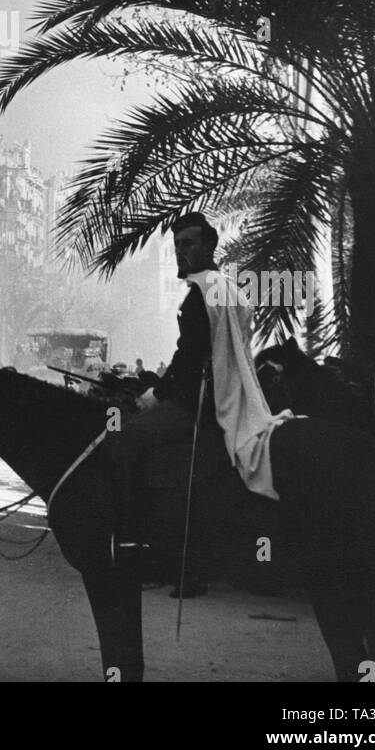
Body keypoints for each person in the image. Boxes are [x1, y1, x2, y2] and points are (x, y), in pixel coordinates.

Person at [110, 211, 289, 552]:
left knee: (126, 438)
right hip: (230, 393)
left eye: (189, 243)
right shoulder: (226, 287)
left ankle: (132, 535)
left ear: (210, 246)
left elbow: (190, 356)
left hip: (202, 402)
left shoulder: (201, 292)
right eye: (177, 244)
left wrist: (156, 393)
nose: (181, 251)